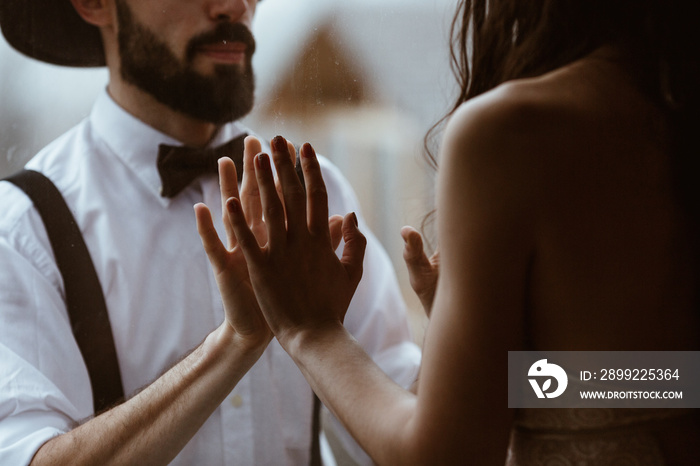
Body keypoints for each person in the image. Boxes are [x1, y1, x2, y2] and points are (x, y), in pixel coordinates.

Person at [195, 0, 700, 464]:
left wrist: (311, 330)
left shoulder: (512, 132)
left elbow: (446, 458)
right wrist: (487, 359)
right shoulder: (666, 112)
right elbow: (663, 385)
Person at [0, 0, 421, 464]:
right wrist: (233, 345)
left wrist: (480, 339)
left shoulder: (312, 190)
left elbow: (413, 424)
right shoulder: (23, 230)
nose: (235, 7)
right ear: (96, 5)